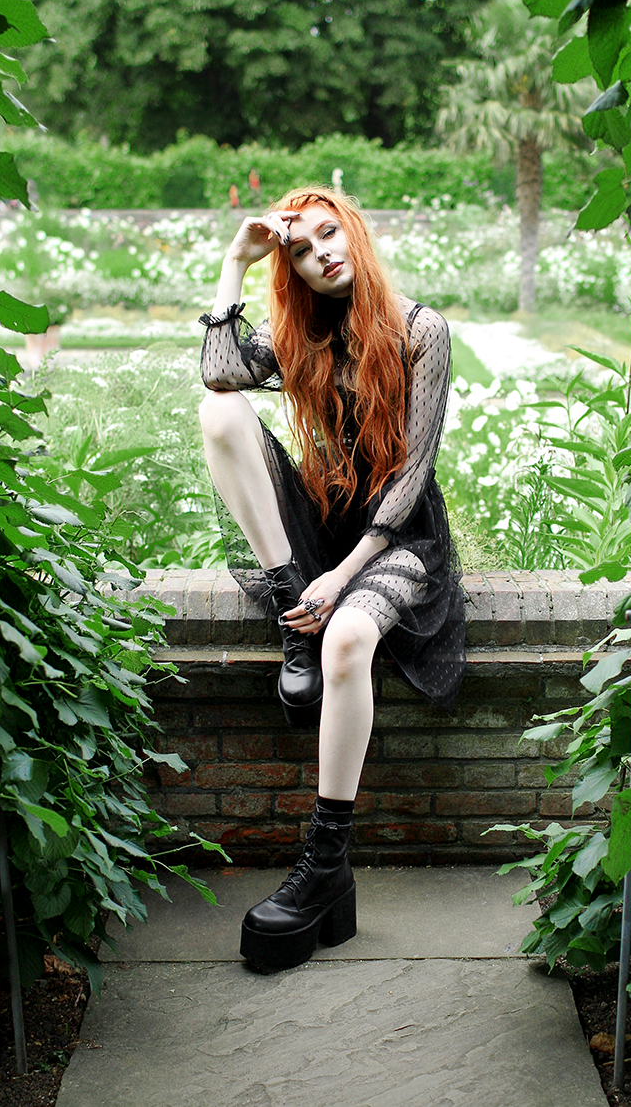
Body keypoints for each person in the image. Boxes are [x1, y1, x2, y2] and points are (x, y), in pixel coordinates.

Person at [198, 187, 465, 971]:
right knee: (218, 415)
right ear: (299, 273)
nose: (323, 253)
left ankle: (325, 865)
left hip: (399, 539)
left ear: (354, 230)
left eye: (329, 234)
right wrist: (235, 264)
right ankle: (291, 606)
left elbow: (414, 475)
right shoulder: (304, 336)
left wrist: (344, 578)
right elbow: (219, 375)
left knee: (349, 636)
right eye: (304, 250)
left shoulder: (422, 330)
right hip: (323, 531)